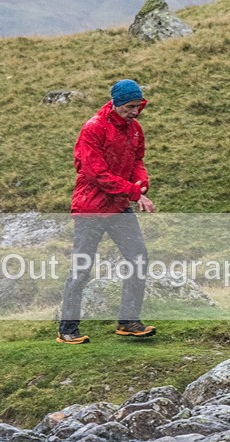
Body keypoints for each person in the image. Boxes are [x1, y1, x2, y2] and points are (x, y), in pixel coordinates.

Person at [57, 79, 157, 344]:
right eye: (130, 106)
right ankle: (67, 329)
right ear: (116, 103)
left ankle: (128, 322)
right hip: (90, 208)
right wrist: (135, 193)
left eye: (139, 106)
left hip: (118, 206)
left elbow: (137, 160)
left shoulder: (135, 129)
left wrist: (141, 182)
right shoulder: (94, 128)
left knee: (138, 257)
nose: (135, 112)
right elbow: (95, 173)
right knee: (82, 268)